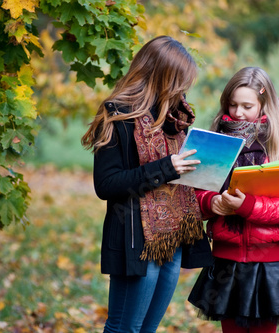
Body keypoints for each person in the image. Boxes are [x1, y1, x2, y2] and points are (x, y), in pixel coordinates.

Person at [81, 35, 213, 333]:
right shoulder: (117, 116)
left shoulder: (176, 119)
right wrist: (166, 168)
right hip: (134, 239)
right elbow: (106, 184)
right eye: (180, 80)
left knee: (147, 330)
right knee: (124, 328)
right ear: (161, 76)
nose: (184, 89)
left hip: (172, 237)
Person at [188, 67, 279, 333]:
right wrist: (211, 202)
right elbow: (196, 194)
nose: (238, 112)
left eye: (247, 105)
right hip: (226, 261)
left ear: (265, 103)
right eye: (232, 104)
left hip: (269, 264)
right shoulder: (216, 139)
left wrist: (247, 206)